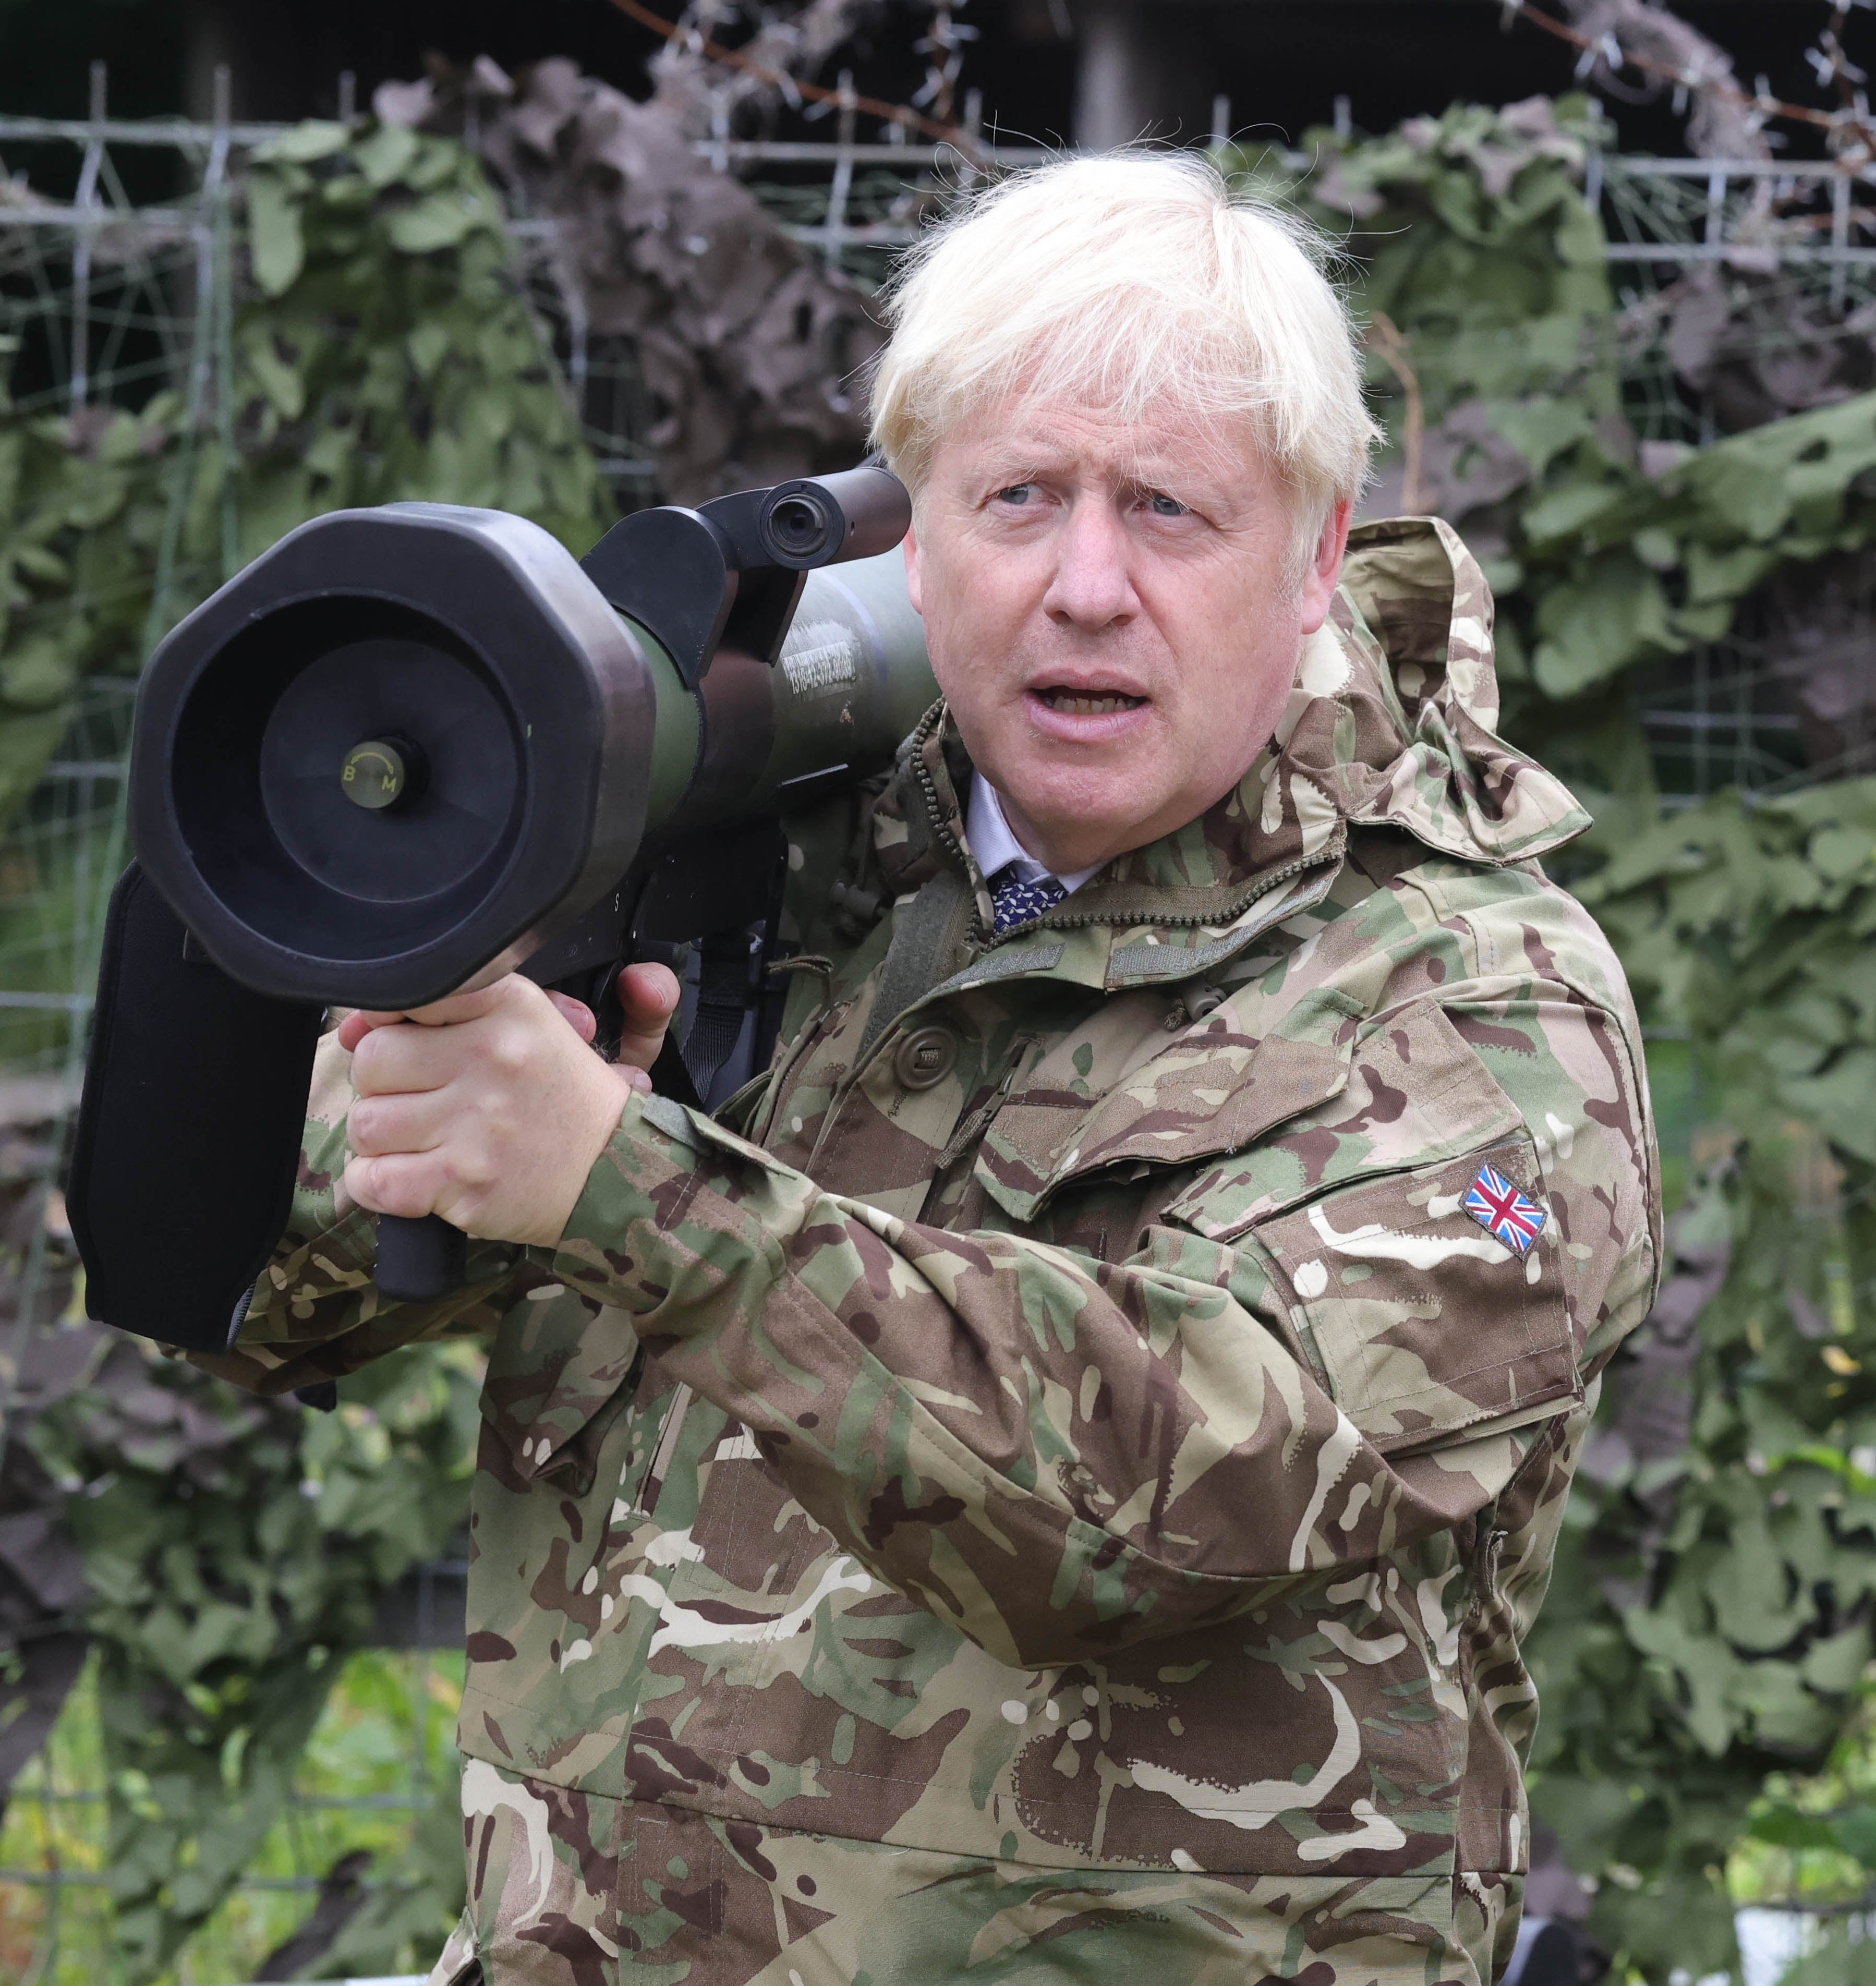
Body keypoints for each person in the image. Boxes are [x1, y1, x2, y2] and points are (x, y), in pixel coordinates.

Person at [190, 153, 1660, 1986]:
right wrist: (419, 1122)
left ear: (1315, 547)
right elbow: (260, 1311)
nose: (1087, 587)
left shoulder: (1469, 1008)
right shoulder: (774, 851)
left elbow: (1188, 1501)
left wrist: (621, 1186)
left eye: (1173, 511)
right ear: (913, 529)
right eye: (1020, 498)